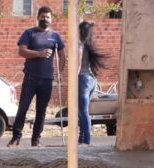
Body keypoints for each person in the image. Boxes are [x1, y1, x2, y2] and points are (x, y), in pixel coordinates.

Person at [7, 6, 65, 148]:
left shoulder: (55, 36)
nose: (45, 19)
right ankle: (16, 137)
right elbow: (21, 51)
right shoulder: (29, 33)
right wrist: (39, 54)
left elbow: (63, 56)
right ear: (38, 17)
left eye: (48, 17)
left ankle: (36, 139)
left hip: (46, 80)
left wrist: (60, 73)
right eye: (43, 17)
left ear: (51, 19)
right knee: (23, 108)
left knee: (41, 111)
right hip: (31, 78)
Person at [77, 21, 107, 145]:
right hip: (92, 80)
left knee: (83, 111)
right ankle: (82, 139)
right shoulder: (90, 46)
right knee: (83, 111)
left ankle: (86, 141)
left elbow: (78, 66)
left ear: (80, 32)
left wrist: (72, 78)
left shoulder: (80, 46)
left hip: (83, 79)